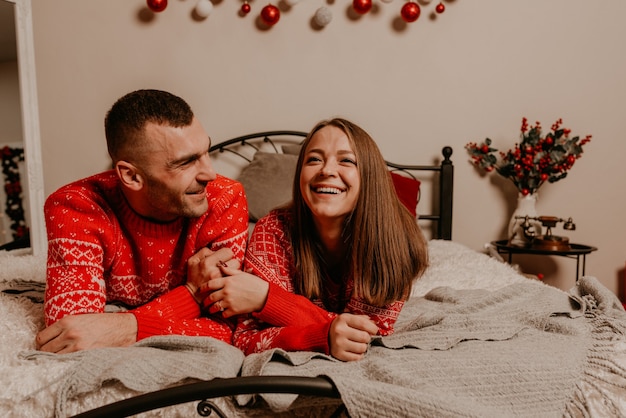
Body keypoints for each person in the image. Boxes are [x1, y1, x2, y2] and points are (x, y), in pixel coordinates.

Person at [36, 89, 252, 353]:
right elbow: (71, 336)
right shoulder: (75, 207)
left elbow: (231, 330)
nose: (210, 173)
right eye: (186, 163)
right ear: (131, 176)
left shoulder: (225, 198)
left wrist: (127, 327)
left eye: (205, 151)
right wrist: (192, 294)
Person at [224, 117, 429, 361]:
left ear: (369, 176)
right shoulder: (272, 230)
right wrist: (323, 336)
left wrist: (268, 299)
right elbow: (246, 340)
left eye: (346, 160)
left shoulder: (394, 241)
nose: (327, 170)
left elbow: (364, 336)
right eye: (314, 159)